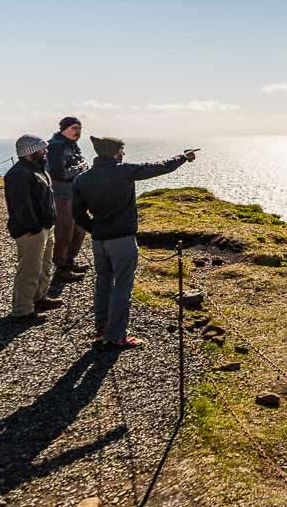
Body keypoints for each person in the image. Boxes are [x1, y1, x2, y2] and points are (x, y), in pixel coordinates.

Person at [71, 136, 197, 350]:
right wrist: (183, 157)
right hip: (122, 239)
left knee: (103, 284)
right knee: (122, 286)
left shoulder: (82, 179)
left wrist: (95, 229)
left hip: (99, 240)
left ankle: (101, 329)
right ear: (115, 152)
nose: (124, 153)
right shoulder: (124, 171)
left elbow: (77, 213)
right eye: (122, 149)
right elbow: (160, 167)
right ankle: (116, 336)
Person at [3, 135, 65, 319]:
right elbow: (21, 205)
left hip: (44, 227)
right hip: (31, 231)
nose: (46, 151)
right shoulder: (19, 174)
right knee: (29, 269)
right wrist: (35, 227)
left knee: (44, 266)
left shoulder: (37, 169)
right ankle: (22, 310)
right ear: (31, 151)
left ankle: (39, 298)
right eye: (42, 148)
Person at [45, 116, 89, 282]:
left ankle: (70, 261)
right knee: (65, 229)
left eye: (79, 128)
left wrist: (82, 168)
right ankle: (61, 267)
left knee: (80, 227)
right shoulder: (56, 146)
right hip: (61, 194)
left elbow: (77, 163)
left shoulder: (71, 143)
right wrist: (79, 168)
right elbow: (58, 173)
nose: (78, 132)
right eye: (74, 128)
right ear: (64, 128)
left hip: (74, 192)